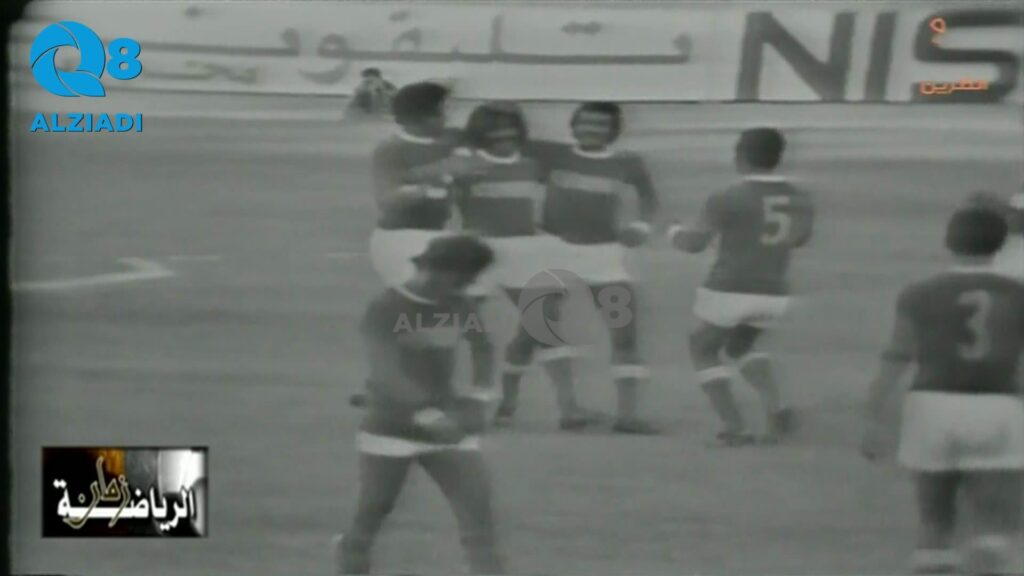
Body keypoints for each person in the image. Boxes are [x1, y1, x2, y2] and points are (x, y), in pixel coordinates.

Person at [861, 206, 1024, 576]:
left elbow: (897, 356)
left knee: (934, 523)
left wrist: (872, 415)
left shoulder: (919, 293)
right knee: (994, 524)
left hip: (931, 407)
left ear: (948, 241)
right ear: (1001, 244)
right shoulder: (1018, 294)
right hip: (998, 406)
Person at [334, 234, 506, 576]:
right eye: (461, 279)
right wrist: (427, 414)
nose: (465, 286)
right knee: (374, 510)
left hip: (448, 428)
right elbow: (385, 372)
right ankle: (350, 556)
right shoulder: (386, 307)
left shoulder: (460, 304)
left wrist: (479, 398)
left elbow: (482, 348)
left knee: (478, 513)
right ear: (435, 269)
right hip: (390, 426)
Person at [496, 101, 661, 435]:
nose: (592, 130)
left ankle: (627, 415)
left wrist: (641, 227)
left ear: (615, 130)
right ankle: (516, 403)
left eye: (601, 125)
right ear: (572, 126)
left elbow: (648, 198)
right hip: (552, 250)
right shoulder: (552, 155)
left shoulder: (627, 162)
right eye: (585, 123)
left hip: (604, 255)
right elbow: (504, 138)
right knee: (536, 329)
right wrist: (507, 112)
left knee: (623, 330)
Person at [452, 102, 598, 430]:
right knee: (459, 328)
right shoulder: (466, 166)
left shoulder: (532, 164)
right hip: (478, 252)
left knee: (544, 325)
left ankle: (567, 408)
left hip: (526, 250)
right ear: (481, 136)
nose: (505, 139)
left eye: (511, 131)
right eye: (496, 133)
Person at [354, 82, 495, 407]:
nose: (447, 117)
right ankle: (394, 385)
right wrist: (436, 176)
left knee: (457, 313)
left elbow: (476, 156)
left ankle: (402, 384)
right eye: (442, 111)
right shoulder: (391, 151)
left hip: (436, 236)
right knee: (416, 315)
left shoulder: (452, 140)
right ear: (420, 116)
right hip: (399, 238)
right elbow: (388, 199)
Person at [670, 127, 814, 446]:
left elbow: (694, 243)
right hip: (775, 291)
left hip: (730, 286)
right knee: (740, 346)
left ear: (740, 156)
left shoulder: (727, 197)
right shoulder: (801, 199)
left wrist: (674, 233)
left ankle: (734, 426)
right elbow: (800, 238)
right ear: (778, 157)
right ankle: (777, 409)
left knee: (703, 348)